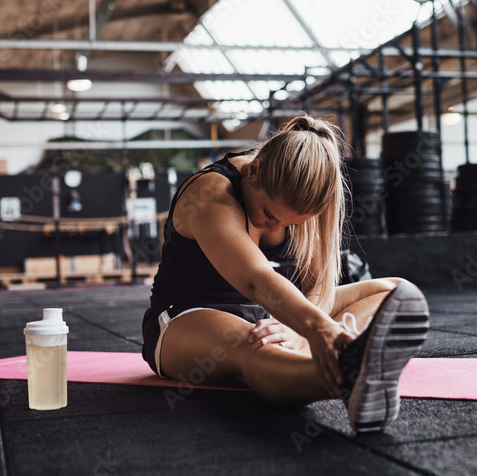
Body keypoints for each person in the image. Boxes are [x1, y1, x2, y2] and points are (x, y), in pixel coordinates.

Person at [141, 115, 429, 432]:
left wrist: (297, 331)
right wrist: (318, 331)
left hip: (266, 312)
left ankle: (350, 354)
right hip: (184, 317)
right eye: (269, 214)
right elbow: (255, 277)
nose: (275, 227)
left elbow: (320, 286)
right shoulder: (210, 192)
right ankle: (348, 375)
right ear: (253, 172)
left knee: (393, 290)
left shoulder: (306, 196)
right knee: (254, 349)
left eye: (289, 224)